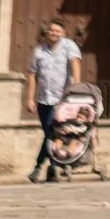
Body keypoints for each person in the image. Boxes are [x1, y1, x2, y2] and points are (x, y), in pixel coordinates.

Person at [25, 20, 83, 183]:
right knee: (49, 135)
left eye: (57, 31)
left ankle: (38, 167)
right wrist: (30, 98)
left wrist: (76, 88)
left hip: (62, 100)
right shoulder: (39, 51)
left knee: (51, 133)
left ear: (63, 33)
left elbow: (75, 64)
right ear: (46, 33)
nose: (54, 33)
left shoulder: (69, 46)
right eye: (51, 30)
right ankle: (53, 167)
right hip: (44, 99)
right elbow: (31, 75)